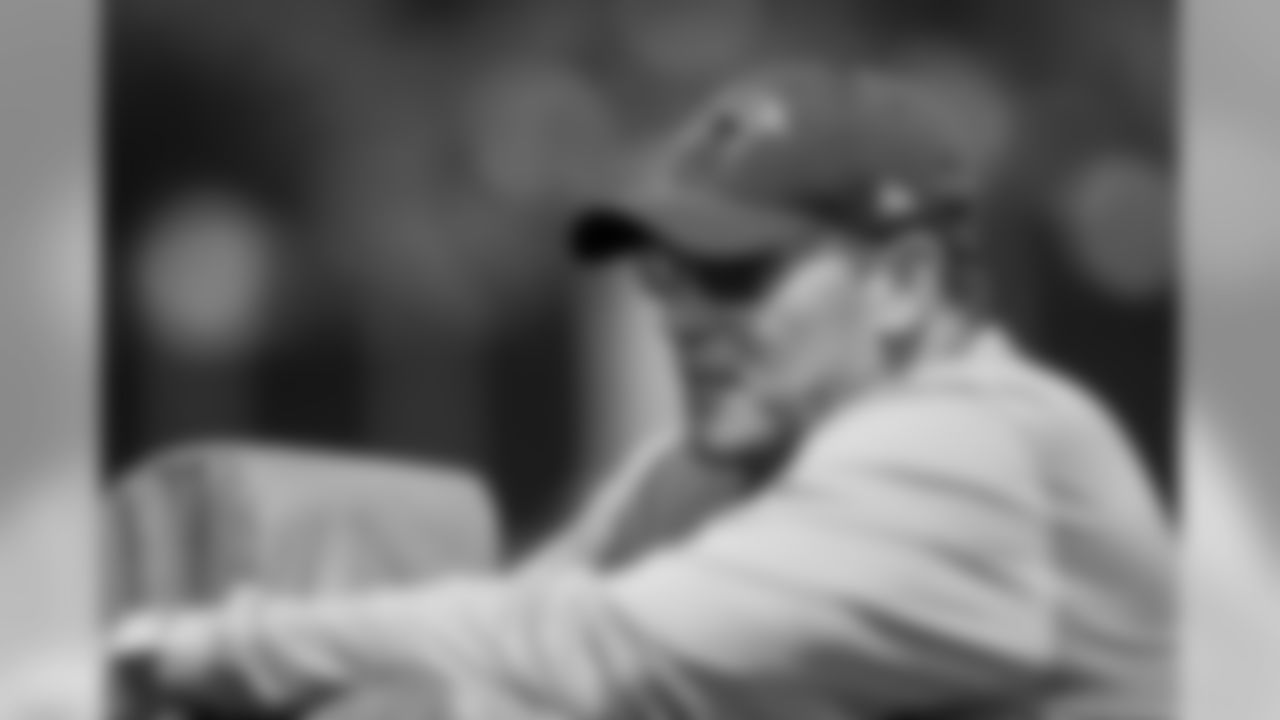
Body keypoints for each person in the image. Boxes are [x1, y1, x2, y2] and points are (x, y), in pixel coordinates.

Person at [112, 63, 1173, 720]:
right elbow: (509, 665)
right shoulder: (705, 477)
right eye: (665, 276)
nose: (683, 314)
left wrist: (200, 647)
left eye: (735, 272)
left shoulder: (983, 450)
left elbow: (592, 651)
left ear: (901, 283)